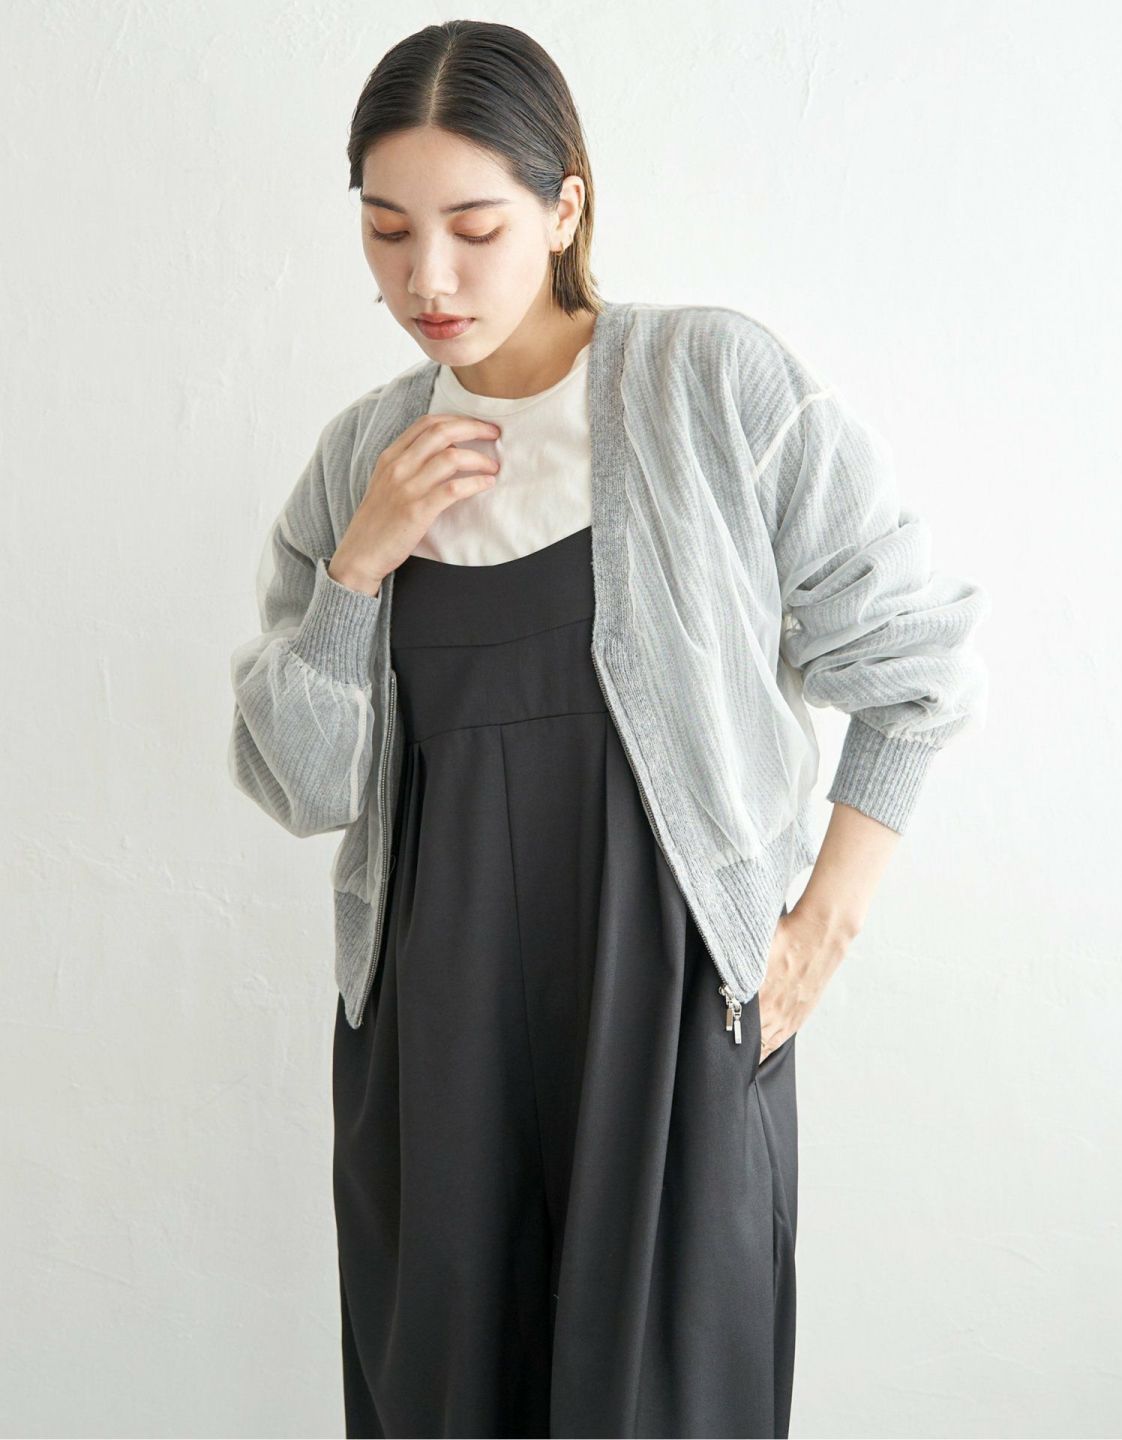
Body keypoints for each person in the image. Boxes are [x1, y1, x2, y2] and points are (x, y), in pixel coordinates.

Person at [226, 20, 990, 1440]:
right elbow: (299, 783)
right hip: (435, 1050)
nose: (427, 279)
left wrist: (820, 929)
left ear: (565, 206)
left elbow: (917, 662)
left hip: (672, 1026)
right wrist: (357, 569)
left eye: (474, 228)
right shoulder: (357, 461)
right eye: (387, 231)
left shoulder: (712, 384)